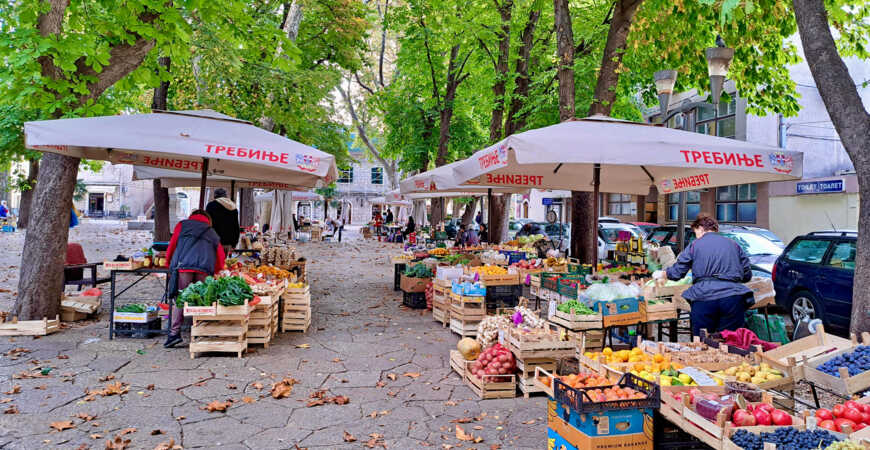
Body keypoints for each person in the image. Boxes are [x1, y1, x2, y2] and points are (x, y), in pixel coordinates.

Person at [653, 214, 752, 336]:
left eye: (695, 233)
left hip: (704, 298)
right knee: (732, 341)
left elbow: (677, 272)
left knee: (703, 342)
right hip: (733, 298)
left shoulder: (695, 245)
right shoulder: (734, 244)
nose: (696, 236)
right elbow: (747, 274)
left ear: (700, 228)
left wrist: (663, 273)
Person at [164, 210, 225, 348]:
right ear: (208, 219)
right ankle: (201, 331)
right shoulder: (211, 232)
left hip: (184, 267)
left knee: (181, 298)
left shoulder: (182, 225)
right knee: (203, 299)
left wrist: (168, 264)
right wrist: (216, 271)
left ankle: (174, 334)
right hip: (204, 270)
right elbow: (220, 256)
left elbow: (172, 245)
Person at [205, 188, 240, 257]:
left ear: (215, 196)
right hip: (228, 242)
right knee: (223, 263)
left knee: (213, 263)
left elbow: (207, 223)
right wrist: (234, 243)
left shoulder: (211, 205)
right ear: (225, 196)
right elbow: (236, 226)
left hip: (214, 240)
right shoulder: (233, 207)